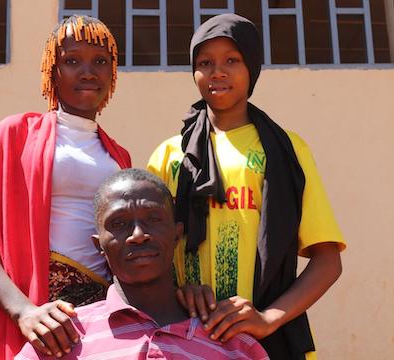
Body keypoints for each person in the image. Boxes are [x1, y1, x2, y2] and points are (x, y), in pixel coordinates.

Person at [147, 14, 346, 359]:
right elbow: (146, 251)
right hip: (182, 338)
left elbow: (327, 261)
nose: (217, 72)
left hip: (265, 345)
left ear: (252, 67)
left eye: (232, 60)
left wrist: (267, 318)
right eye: (204, 63)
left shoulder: (286, 151)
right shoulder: (169, 155)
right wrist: (176, 292)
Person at [0, 15, 131, 360]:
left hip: (94, 318)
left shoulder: (120, 156)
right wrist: (23, 311)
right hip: (32, 311)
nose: (88, 71)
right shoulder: (15, 134)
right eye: (72, 61)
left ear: (113, 73)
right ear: (52, 71)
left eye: (100, 61)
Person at [15, 168, 269, 360]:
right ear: (99, 245)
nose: (138, 234)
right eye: (118, 224)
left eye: (153, 218)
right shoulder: (63, 336)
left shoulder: (236, 346)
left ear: (177, 234)